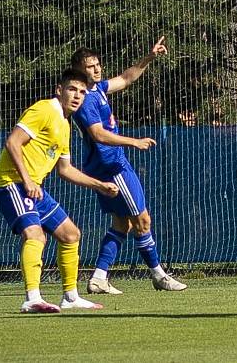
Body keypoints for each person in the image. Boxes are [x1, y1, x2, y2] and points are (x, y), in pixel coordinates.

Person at [0, 68, 119, 313]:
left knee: (71, 234)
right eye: (72, 89)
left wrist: (99, 185)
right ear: (59, 90)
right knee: (36, 235)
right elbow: (13, 142)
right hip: (11, 183)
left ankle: (70, 297)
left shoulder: (65, 124)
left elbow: (65, 169)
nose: (77, 95)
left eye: (82, 91)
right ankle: (32, 298)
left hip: (32, 188)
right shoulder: (44, 109)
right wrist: (27, 181)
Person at [70, 36, 187, 294]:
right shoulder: (86, 100)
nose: (97, 69)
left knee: (122, 222)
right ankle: (159, 275)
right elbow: (98, 134)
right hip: (112, 165)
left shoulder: (96, 89)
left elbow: (125, 78)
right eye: (90, 66)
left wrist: (149, 57)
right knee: (142, 219)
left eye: (98, 64)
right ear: (79, 70)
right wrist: (133, 141)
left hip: (104, 164)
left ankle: (99, 277)